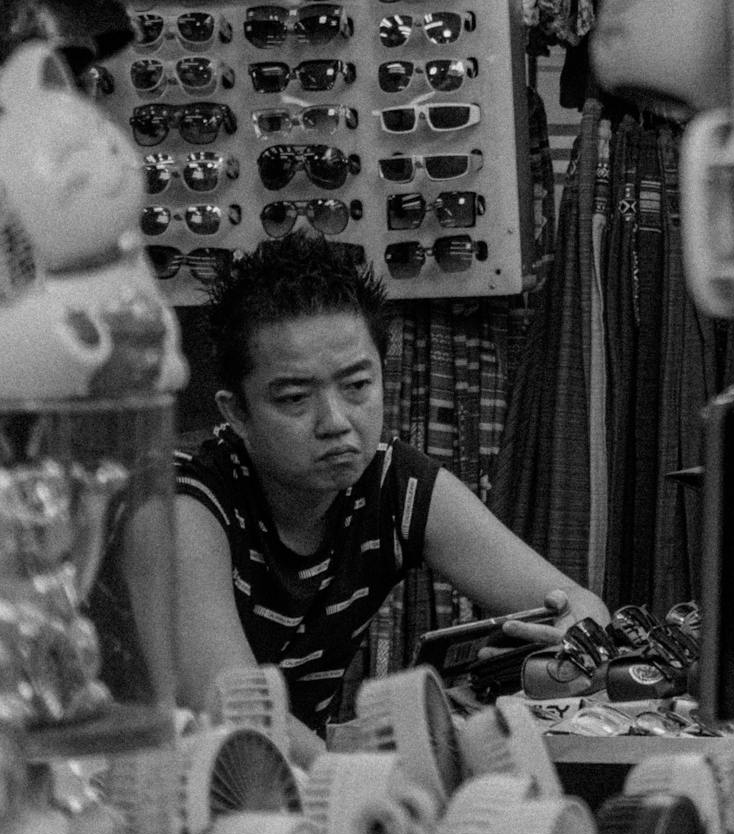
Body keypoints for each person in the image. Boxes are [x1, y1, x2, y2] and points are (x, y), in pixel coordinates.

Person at [166, 230, 606, 764]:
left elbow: (581, 608)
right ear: (235, 413)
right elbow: (234, 714)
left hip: (306, 787)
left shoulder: (394, 482)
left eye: (356, 386)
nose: (335, 422)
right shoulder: (181, 504)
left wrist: (563, 652)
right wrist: (391, 777)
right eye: (294, 398)